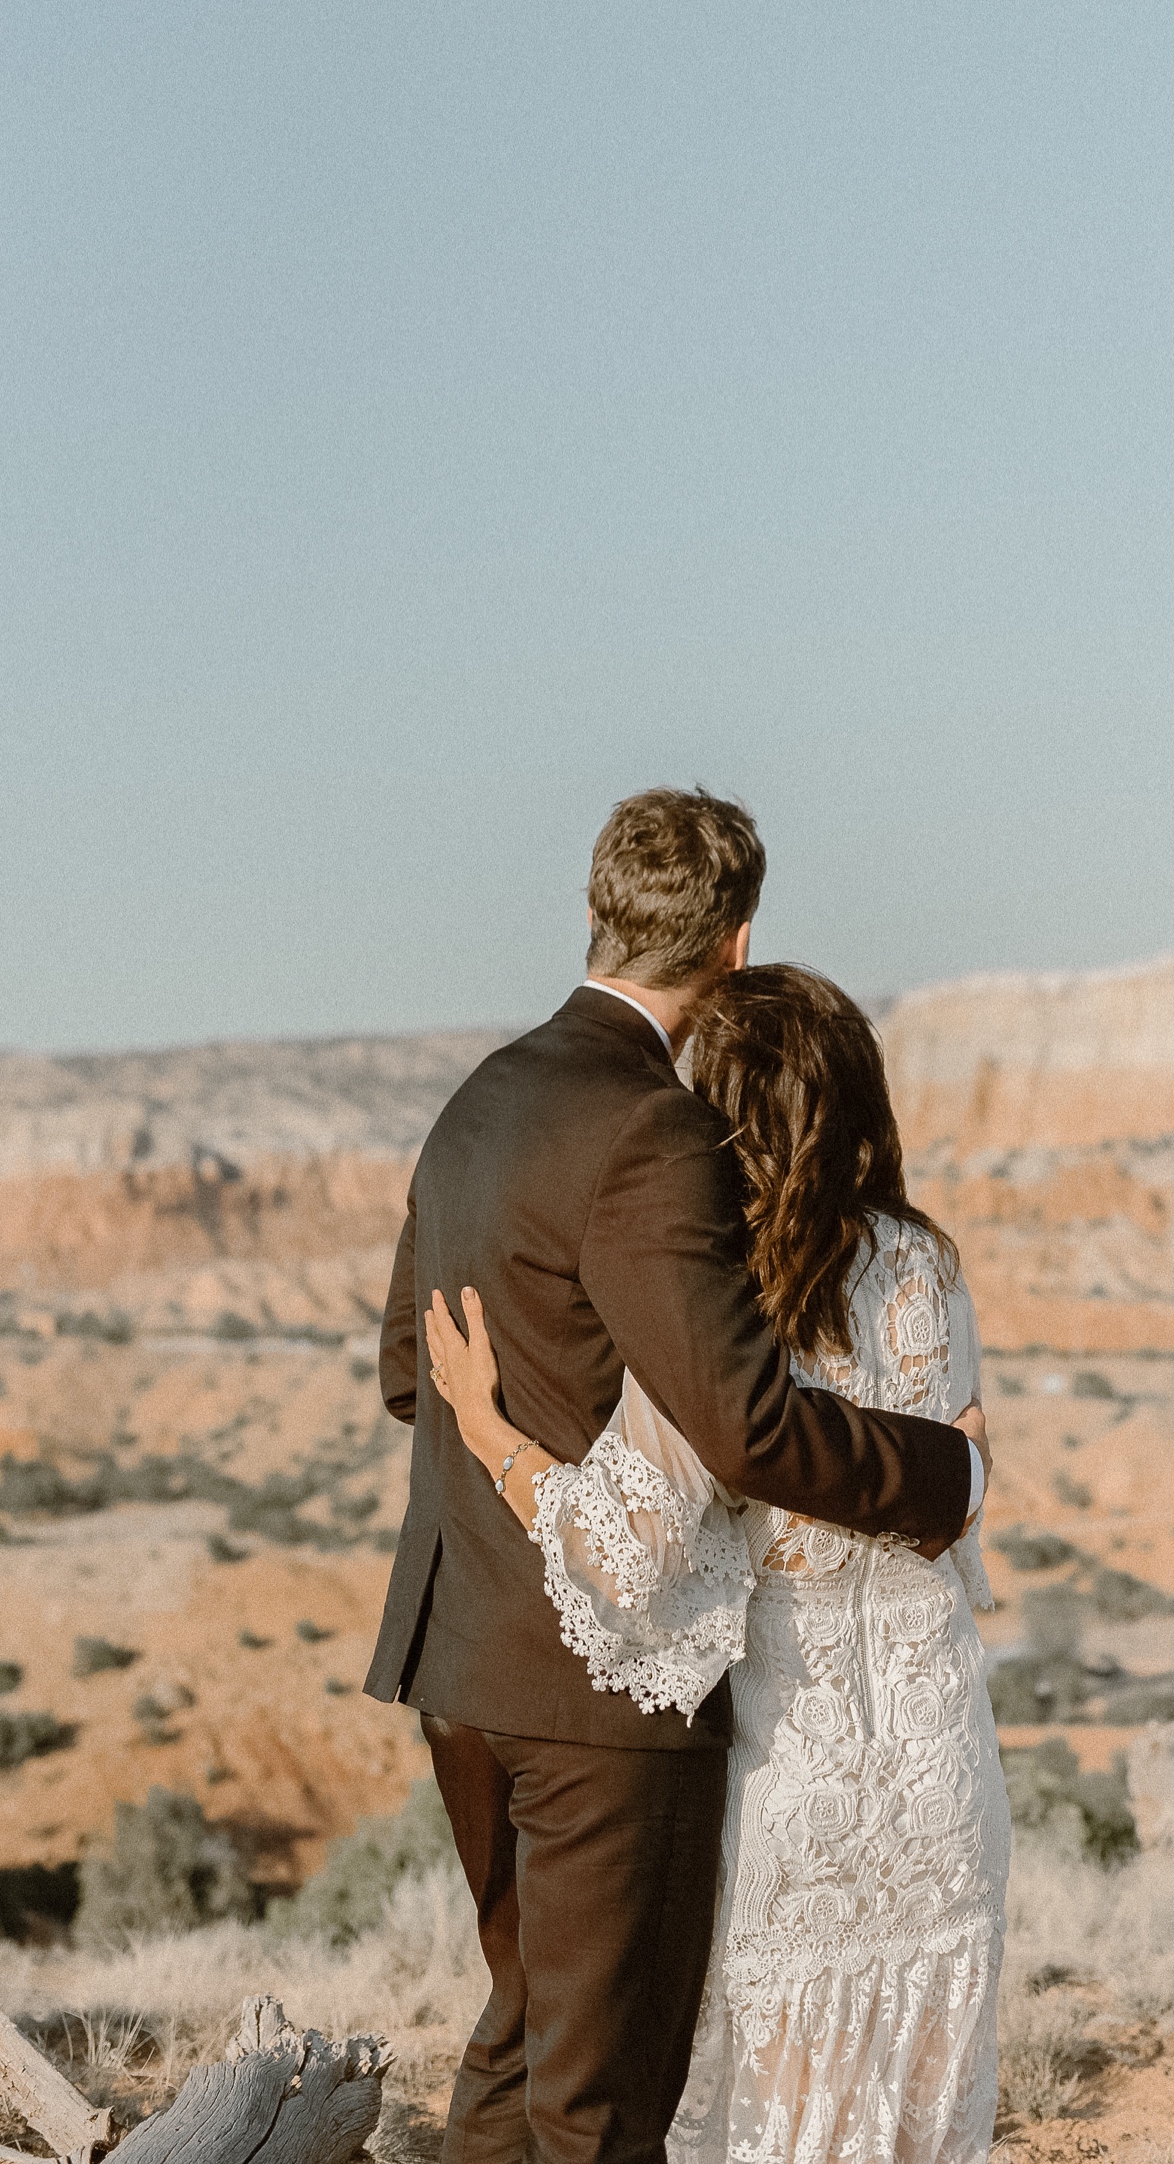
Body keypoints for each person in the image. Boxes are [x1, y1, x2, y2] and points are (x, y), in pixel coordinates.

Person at [363, 787, 989, 2164]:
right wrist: (944, 1473)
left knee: (521, 2051)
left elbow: (413, 1375)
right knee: (602, 2102)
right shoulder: (654, 1126)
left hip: (461, 1655)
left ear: (598, 910)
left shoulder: (483, 1094)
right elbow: (748, 1428)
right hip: (599, 1688)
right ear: (739, 935)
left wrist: (515, 1435)